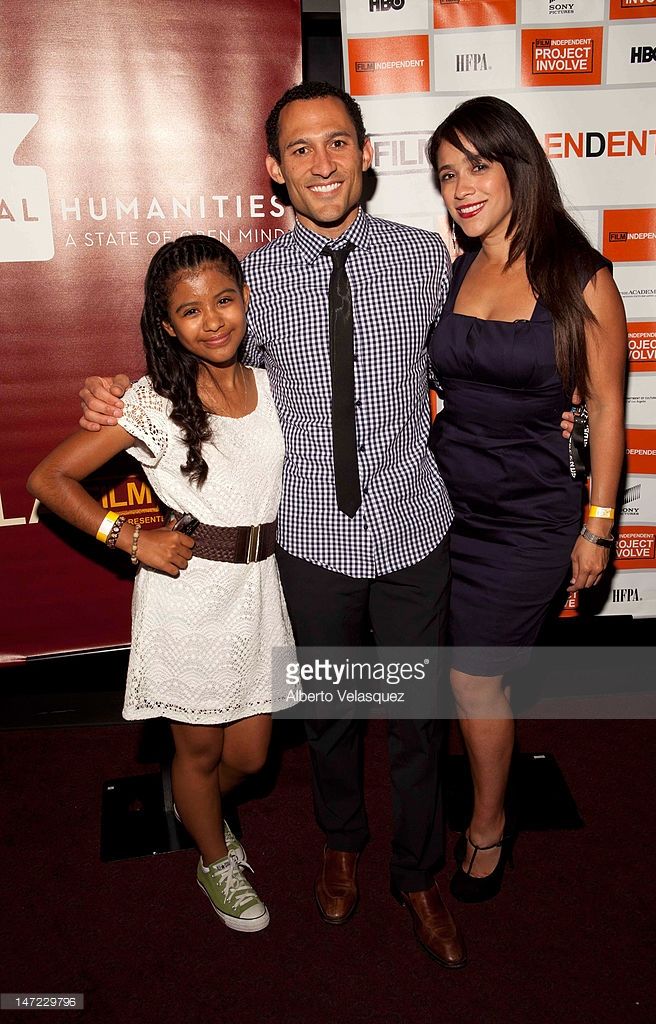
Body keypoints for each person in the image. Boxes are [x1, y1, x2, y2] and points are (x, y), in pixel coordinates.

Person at [75, 82, 578, 966]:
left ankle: (416, 874)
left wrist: (553, 420)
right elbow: (196, 362)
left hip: (414, 528)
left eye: (337, 142)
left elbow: (484, 356)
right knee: (334, 716)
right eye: (299, 149)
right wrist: (114, 390)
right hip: (309, 542)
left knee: (418, 722)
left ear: (366, 154)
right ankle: (340, 844)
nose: (321, 163)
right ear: (274, 169)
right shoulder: (253, 282)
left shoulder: (427, 260)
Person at [27, 234, 295, 933]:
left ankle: (196, 805)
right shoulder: (154, 401)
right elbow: (48, 479)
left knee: (251, 755)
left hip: (259, 592)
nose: (212, 321)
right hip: (188, 596)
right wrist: (129, 538)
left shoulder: (273, 384)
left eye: (224, 300)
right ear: (167, 325)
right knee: (198, 752)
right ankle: (213, 857)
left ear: (246, 299)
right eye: (190, 310)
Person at [426, 96, 626, 902]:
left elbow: (606, 407)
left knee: (474, 676)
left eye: (477, 166)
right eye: (446, 174)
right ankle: (477, 781)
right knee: (461, 671)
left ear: (518, 166)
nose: (461, 188)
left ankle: (487, 825)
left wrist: (598, 529)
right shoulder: (456, 266)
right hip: (441, 501)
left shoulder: (580, 276)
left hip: (528, 515)